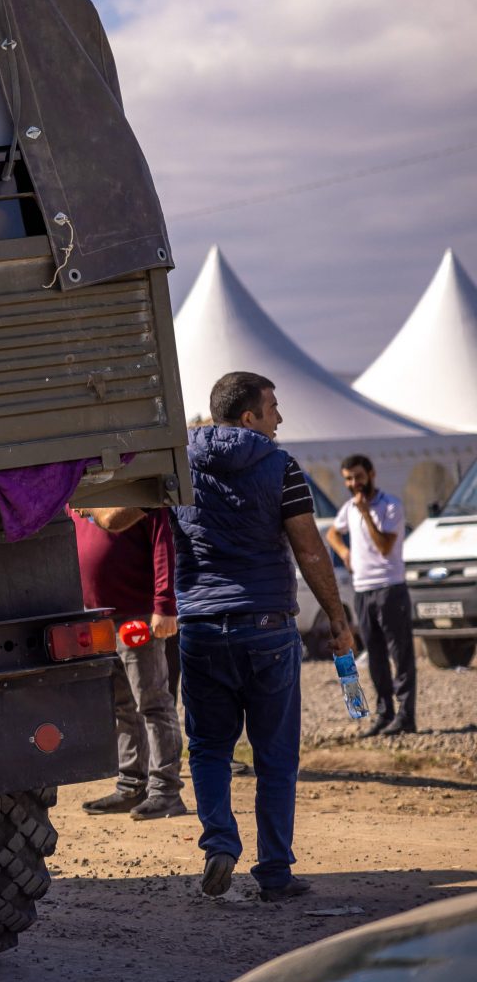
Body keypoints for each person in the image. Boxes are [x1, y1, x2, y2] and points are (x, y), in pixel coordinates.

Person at [173, 371, 354, 903]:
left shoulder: (176, 465)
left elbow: (118, 518)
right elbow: (310, 550)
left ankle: (220, 844)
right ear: (248, 416)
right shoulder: (281, 466)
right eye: (273, 407)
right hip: (268, 627)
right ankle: (274, 872)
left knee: (207, 747)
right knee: (275, 754)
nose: (280, 418)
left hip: (202, 628)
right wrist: (337, 620)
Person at [71, 504, 186, 820]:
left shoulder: (136, 492)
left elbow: (164, 544)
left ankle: (165, 792)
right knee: (122, 705)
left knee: (152, 704)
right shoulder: (77, 492)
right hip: (97, 620)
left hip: (137, 615)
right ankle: (131, 785)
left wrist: (164, 605)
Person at [326, 455, 415, 735]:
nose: (354, 484)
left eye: (358, 477)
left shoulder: (390, 506)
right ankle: (384, 712)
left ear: (371, 474)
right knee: (374, 655)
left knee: (400, 655)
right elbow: (332, 532)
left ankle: (406, 715)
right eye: (349, 479)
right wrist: (344, 552)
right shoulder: (349, 508)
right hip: (363, 589)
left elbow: (385, 547)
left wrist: (366, 513)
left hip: (390, 588)